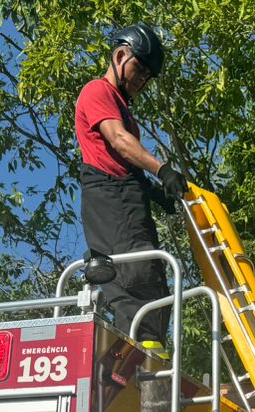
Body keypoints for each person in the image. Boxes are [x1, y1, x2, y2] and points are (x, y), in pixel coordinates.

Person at [74, 22, 190, 351]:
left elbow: (125, 162)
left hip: (126, 197)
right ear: (120, 55)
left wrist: (156, 193)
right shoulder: (98, 91)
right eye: (139, 69)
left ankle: (148, 362)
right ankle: (142, 369)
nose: (141, 81)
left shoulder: (123, 108)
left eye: (147, 78)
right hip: (112, 197)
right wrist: (163, 170)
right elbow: (119, 142)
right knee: (138, 282)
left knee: (152, 285)